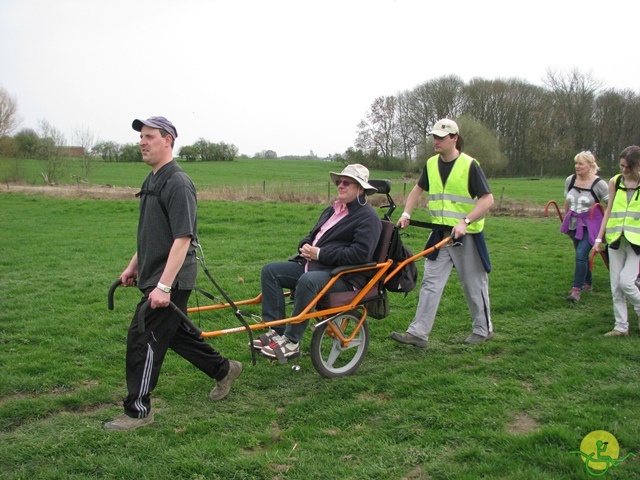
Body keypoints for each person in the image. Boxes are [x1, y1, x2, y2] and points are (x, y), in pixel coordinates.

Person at [105, 116, 242, 431]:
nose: (142, 142)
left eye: (150, 136)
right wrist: (133, 266)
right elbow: (153, 233)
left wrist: (164, 286)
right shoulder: (151, 179)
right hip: (155, 275)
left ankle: (138, 411)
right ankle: (224, 370)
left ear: (168, 140)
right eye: (141, 136)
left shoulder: (177, 182)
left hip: (172, 278)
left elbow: (182, 239)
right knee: (176, 336)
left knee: (143, 337)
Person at [255, 164, 383, 360]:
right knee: (270, 271)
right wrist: (305, 246)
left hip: (344, 276)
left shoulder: (368, 218)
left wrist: (320, 254)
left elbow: (360, 255)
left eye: (346, 182)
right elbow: (313, 235)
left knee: (309, 281)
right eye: (339, 181)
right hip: (315, 266)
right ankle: (276, 331)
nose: (340, 185)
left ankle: (292, 341)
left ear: (360, 188)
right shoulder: (332, 210)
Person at [389, 119, 494, 349]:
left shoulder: (469, 165)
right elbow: (418, 189)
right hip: (440, 235)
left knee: (473, 284)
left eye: (441, 137)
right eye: (434, 137)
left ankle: (482, 330)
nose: (435, 141)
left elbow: (488, 199)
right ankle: (418, 333)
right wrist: (406, 213)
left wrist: (465, 221)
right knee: (430, 283)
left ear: (454, 138)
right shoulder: (431, 164)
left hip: (468, 236)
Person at [594, 145, 640, 336]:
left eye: (627, 167)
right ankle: (621, 327)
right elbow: (609, 210)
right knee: (615, 286)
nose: (623, 170)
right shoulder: (615, 181)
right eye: (621, 165)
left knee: (627, 282)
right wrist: (598, 238)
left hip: (636, 243)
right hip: (615, 240)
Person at [560, 151, 609, 302]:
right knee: (580, 253)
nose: (577, 166)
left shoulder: (599, 184)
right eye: (576, 163)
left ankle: (576, 289)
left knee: (581, 254)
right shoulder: (571, 180)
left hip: (592, 224)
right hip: (575, 223)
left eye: (581, 163)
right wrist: (566, 221)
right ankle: (588, 282)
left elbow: (610, 204)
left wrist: (606, 225)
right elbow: (567, 201)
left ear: (590, 166)